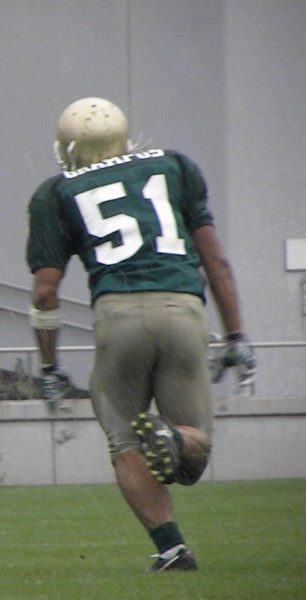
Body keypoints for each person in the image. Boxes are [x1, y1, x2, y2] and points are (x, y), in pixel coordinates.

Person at [25, 97, 256, 572]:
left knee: (125, 440)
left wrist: (48, 366)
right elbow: (216, 260)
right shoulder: (174, 166)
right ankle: (176, 437)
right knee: (193, 456)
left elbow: (45, 293)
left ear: (69, 146)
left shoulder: (56, 192)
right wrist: (236, 335)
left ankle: (172, 549)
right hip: (183, 310)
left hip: (119, 316)